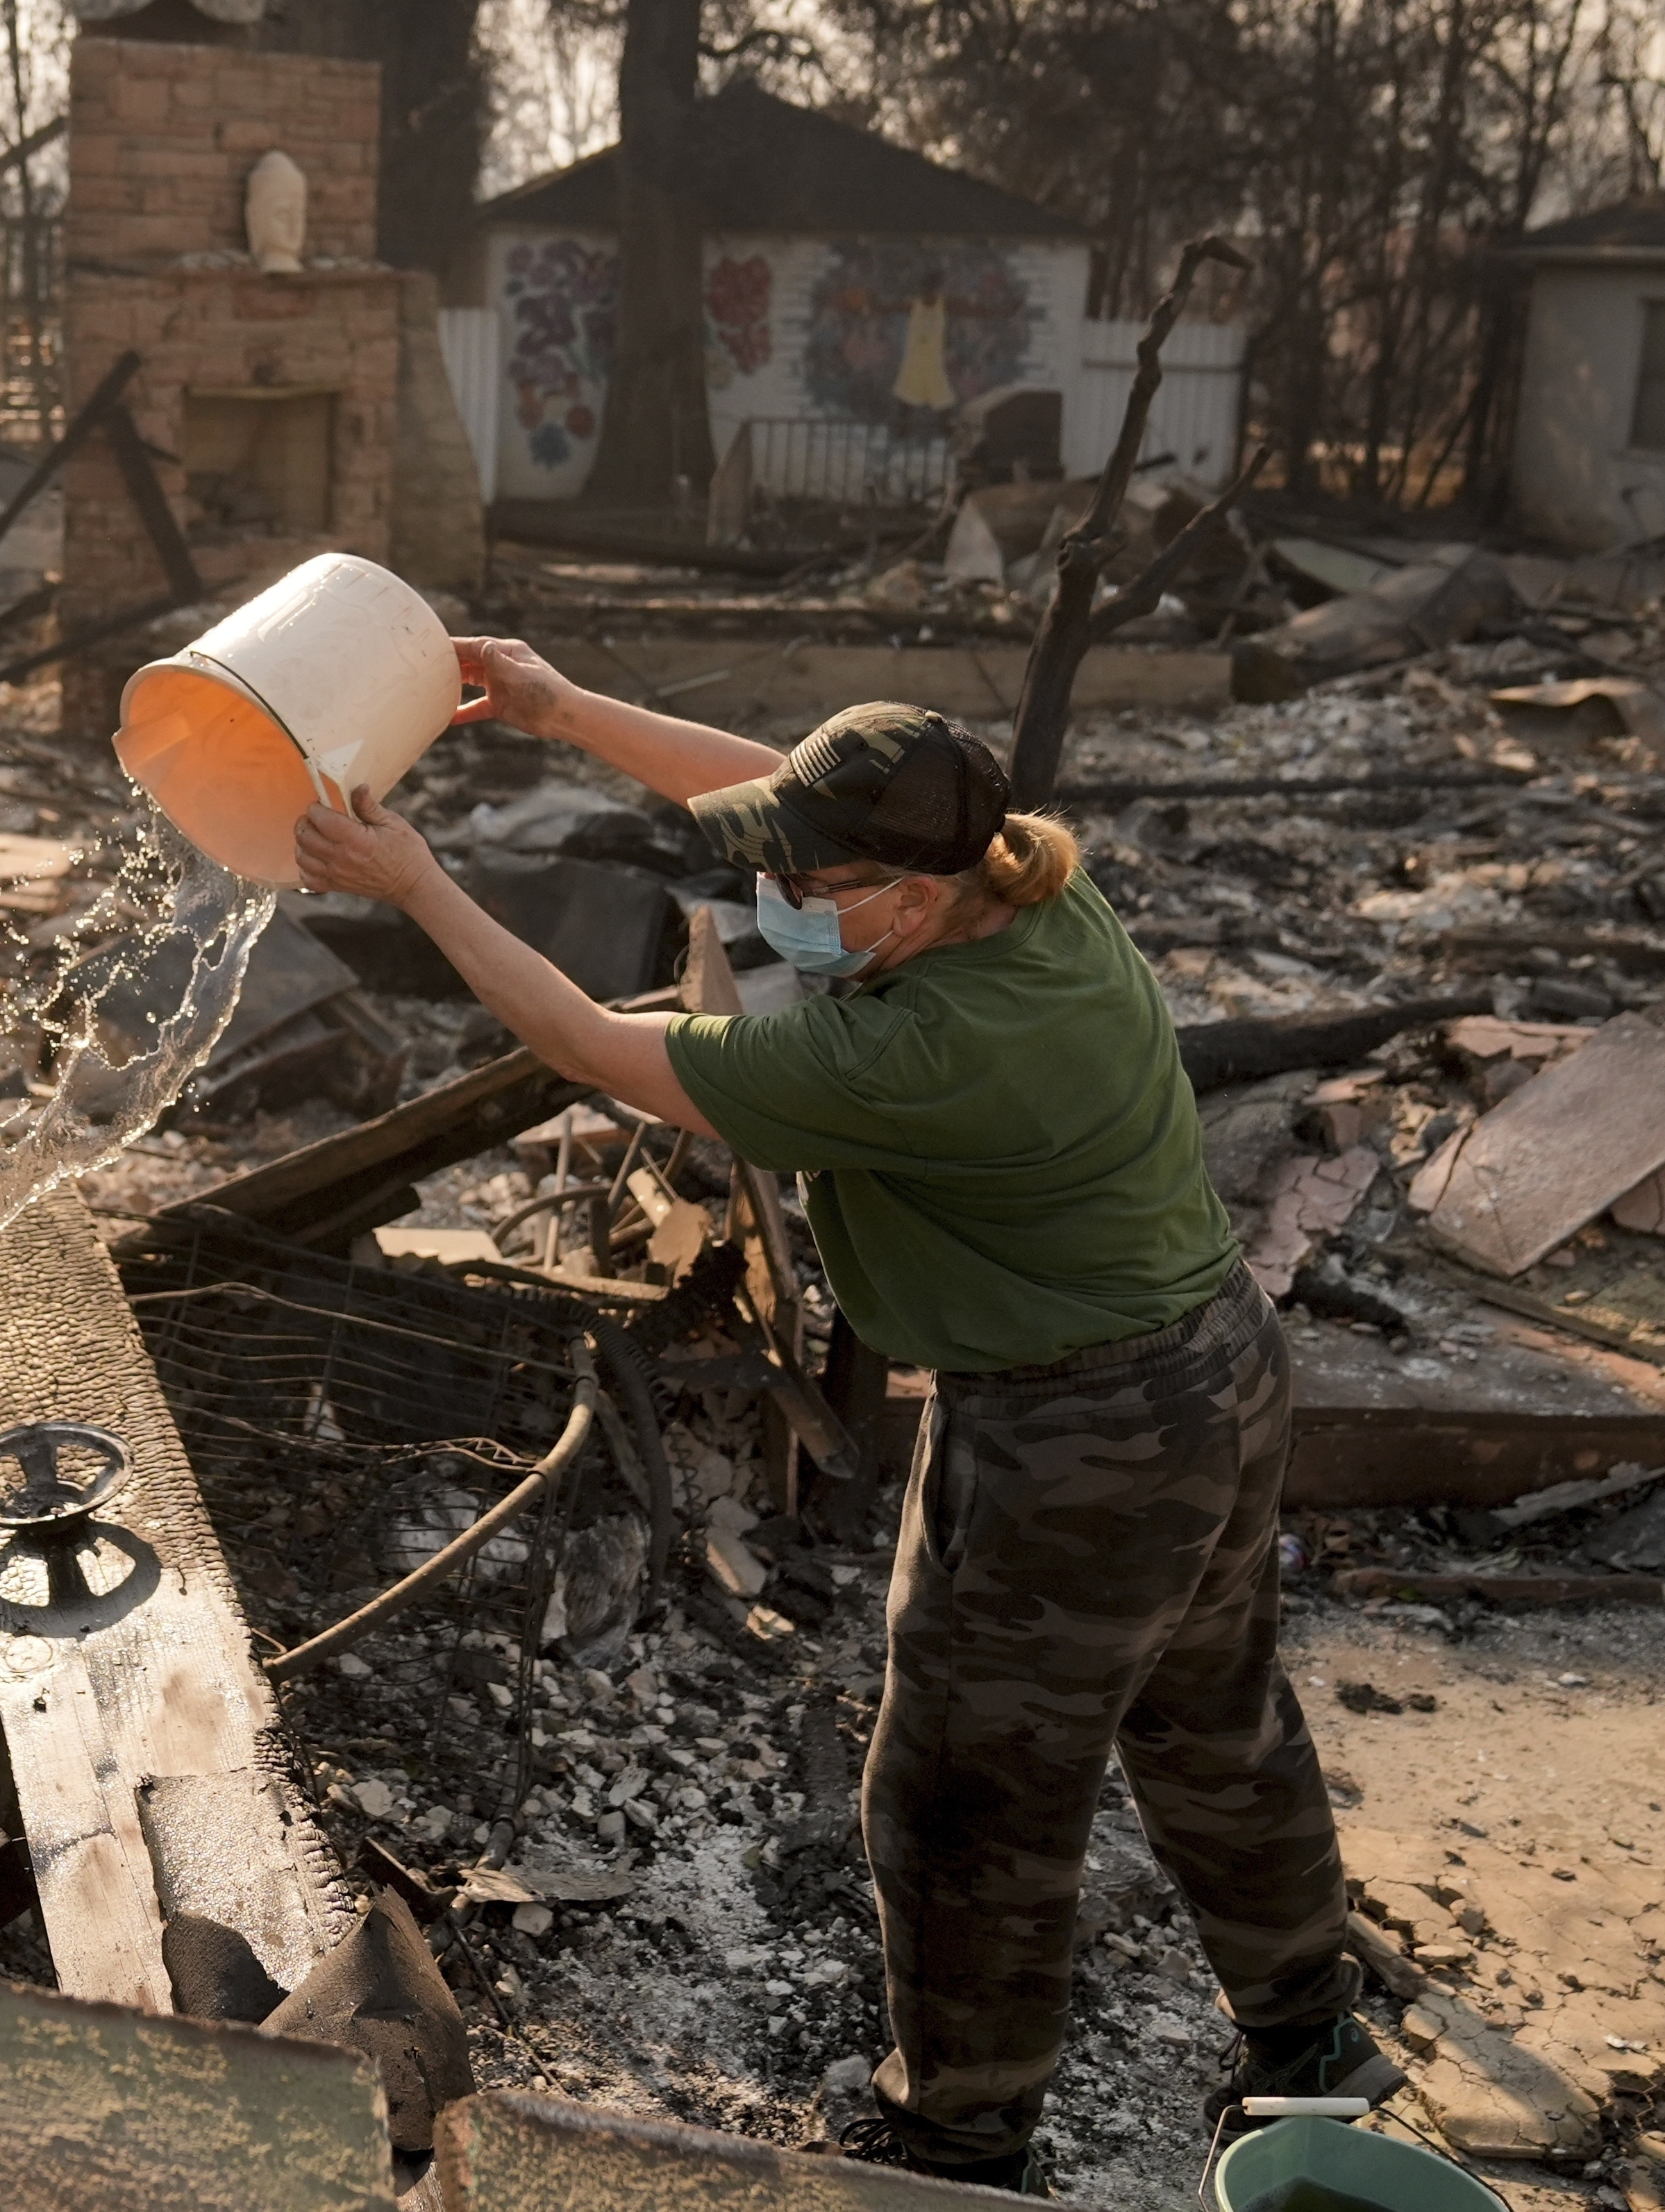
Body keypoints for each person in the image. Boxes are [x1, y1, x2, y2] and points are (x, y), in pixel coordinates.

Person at [289, 637, 1395, 2197]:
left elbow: (594, 1047)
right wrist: (565, 711)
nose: (784, 903)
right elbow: (764, 791)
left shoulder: (918, 1048)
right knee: (1214, 1725)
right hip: (1211, 1367)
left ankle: (957, 2148)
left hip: (1076, 1438)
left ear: (915, 896)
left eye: (819, 883)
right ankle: (1311, 2052)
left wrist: (416, 884)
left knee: (962, 1799)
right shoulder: (1030, 885)